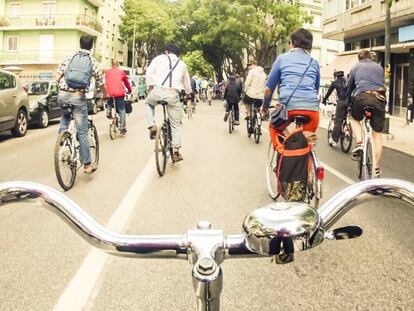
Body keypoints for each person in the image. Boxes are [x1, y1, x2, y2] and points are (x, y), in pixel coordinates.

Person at [55, 35, 105, 174]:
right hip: (78, 96)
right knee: (82, 132)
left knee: (65, 114)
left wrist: (61, 88)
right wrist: (105, 96)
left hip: (63, 95)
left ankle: (62, 136)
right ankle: (88, 164)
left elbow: (57, 76)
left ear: (79, 44)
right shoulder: (93, 62)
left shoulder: (69, 57)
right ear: (92, 46)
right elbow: (101, 83)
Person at [262, 28, 320, 147]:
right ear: (309, 45)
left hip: (288, 109)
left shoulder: (282, 58)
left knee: (273, 128)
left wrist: (265, 106)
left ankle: (281, 152)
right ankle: (308, 158)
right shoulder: (314, 62)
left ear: (292, 43)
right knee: (307, 141)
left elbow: (269, 89)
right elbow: (316, 88)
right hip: (312, 111)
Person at [145, 43, 192, 162]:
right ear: (178, 54)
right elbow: (187, 85)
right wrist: (188, 94)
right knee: (175, 124)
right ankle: (176, 152)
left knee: (148, 103)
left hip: (158, 91)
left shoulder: (158, 58)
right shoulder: (182, 64)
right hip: (173, 94)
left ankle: (152, 125)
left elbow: (149, 73)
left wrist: (151, 87)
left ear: (166, 51)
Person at [346, 50, 386, 176]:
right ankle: (377, 168)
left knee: (353, 118)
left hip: (361, 98)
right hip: (379, 99)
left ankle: (359, 143)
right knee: (377, 135)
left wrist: (348, 103)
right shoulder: (379, 67)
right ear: (370, 58)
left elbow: (350, 87)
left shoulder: (356, 67)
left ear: (359, 58)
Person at [105, 60, 132, 135]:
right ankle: (122, 127)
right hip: (119, 93)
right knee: (122, 109)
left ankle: (108, 109)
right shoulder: (120, 72)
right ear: (118, 65)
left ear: (112, 65)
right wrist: (129, 89)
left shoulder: (107, 72)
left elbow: (106, 82)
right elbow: (126, 82)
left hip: (110, 93)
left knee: (110, 101)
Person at [322, 70, 348, 146]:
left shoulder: (335, 82)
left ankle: (334, 140)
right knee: (348, 118)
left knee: (338, 121)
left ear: (335, 76)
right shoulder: (347, 81)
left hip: (341, 102)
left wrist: (324, 100)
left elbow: (328, 92)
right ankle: (347, 129)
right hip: (349, 102)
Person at [244, 61, 267, 127]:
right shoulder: (263, 73)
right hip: (261, 96)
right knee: (257, 107)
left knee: (245, 100)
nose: (249, 67)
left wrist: (247, 88)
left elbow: (247, 83)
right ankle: (259, 114)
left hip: (251, 95)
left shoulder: (251, 72)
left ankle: (248, 113)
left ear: (255, 65)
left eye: (250, 65)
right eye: (248, 65)